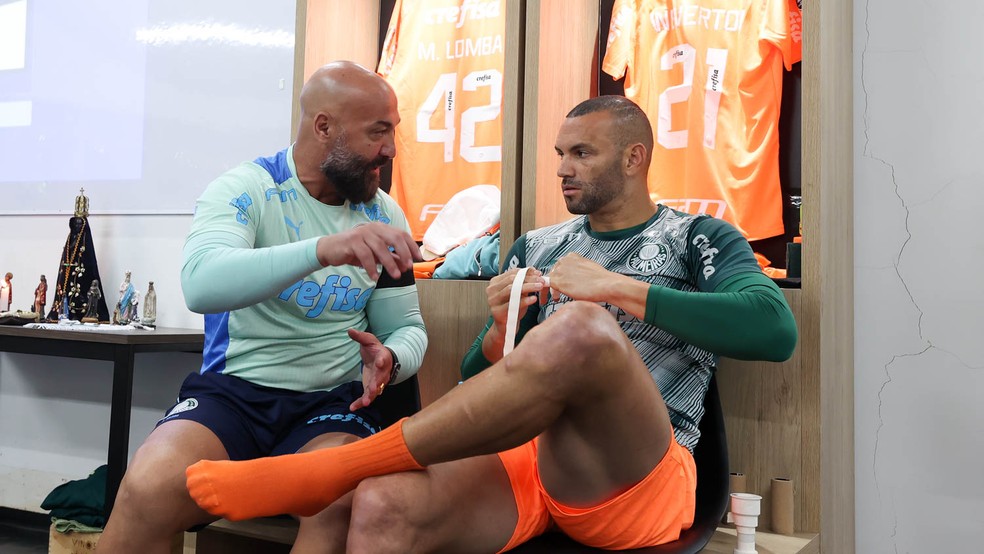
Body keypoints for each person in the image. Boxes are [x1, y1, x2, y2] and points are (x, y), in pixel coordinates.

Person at [181, 95, 798, 552]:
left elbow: (774, 328)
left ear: (635, 158)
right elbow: (486, 378)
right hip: (529, 466)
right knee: (384, 504)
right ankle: (361, 474)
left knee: (583, 328)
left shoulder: (697, 237)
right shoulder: (538, 245)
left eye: (582, 153)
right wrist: (496, 335)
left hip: (635, 476)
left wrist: (616, 289)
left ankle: (343, 464)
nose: (563, 168)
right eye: (560, 154)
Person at [96, 60, 427, 554]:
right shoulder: (246, 190)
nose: (390, 149)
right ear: (324, 127)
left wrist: (392, 359)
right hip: (233, 396)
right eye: (377, 132)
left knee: (340, 503)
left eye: (393, 131)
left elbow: (407, 328)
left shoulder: (385, 213)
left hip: (332, 404)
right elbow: (202, 285)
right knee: (147, 490)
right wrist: (323, 249)